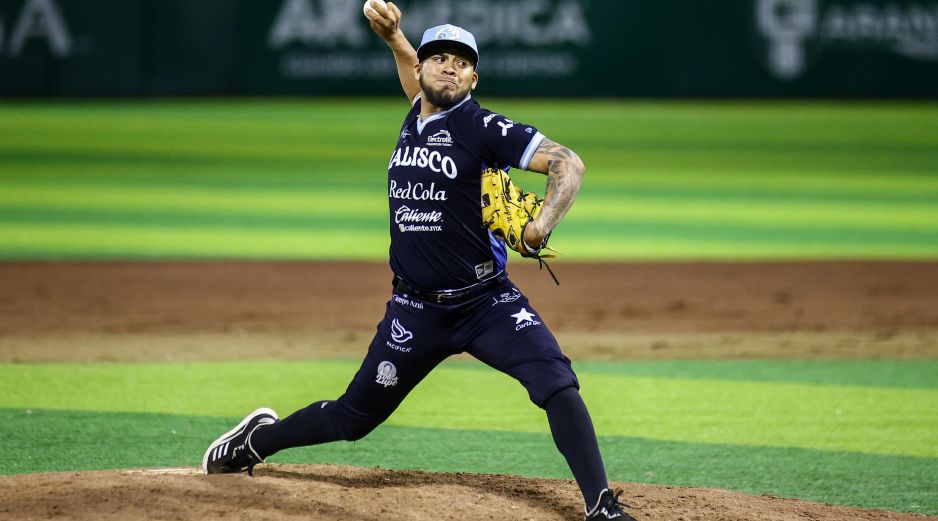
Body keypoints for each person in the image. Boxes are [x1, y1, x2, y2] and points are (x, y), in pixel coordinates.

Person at [202, 3, 637, 520]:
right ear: (421, 70)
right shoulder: (415, 112)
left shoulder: (483, 127)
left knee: (556, 383)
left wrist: (541, 225)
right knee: (352, 418)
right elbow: (414, 70)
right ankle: (257, 442)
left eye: (460, 60)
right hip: (414, 311)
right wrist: (394, 37)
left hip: (488, 303)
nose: (447, 66)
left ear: (475, 76)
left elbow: (569, 163)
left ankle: (601, 506)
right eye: (437, 58)